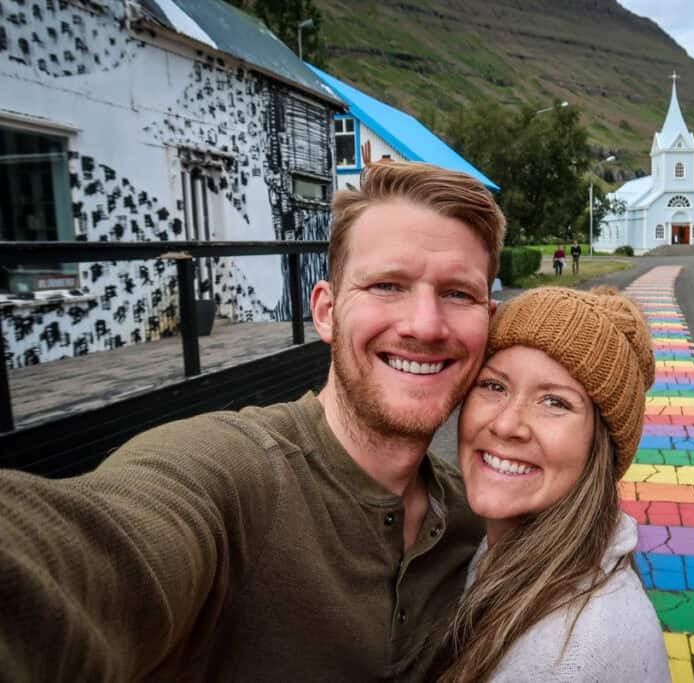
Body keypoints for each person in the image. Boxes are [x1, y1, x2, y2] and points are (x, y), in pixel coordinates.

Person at [0, 162, 506, 681]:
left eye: (458, 294)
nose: (424, 325)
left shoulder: (477, 521)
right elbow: (86, 555)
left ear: (487, 320)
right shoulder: (231, 478)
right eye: (386, 285)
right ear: (327, 311)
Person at [431, 286, 670, 682]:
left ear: (602, 445)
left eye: (555, 402)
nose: (506, 424)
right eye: (494, 386)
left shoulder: (575, 656)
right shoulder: (505, 551)